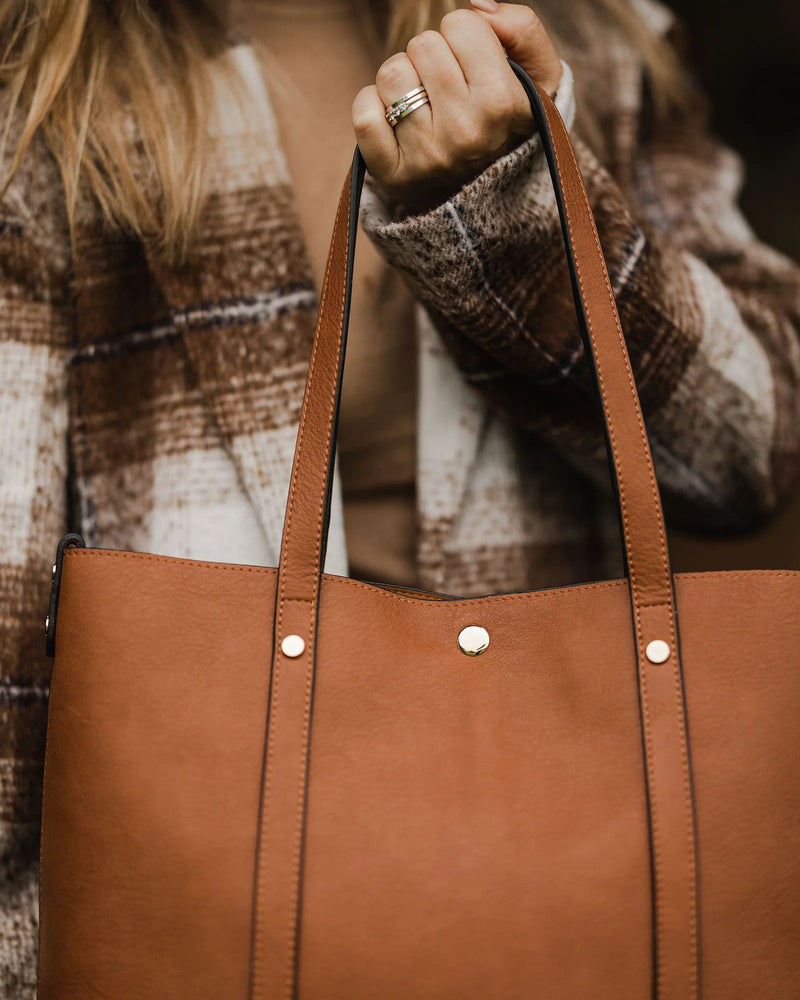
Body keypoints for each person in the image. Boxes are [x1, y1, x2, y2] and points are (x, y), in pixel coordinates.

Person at [0, 0, 798, 990]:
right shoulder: (40, 82)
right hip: (193, 908)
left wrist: (514, 213)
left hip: (567, 902)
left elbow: (751, 451)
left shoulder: (592, 38)